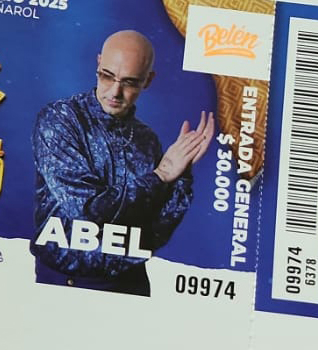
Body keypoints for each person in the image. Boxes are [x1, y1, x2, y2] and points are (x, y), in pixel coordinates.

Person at [31, 29, 214, 296]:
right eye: (107, 76)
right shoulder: (61, 119)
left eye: (129, 83)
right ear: (98, 64)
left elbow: (155, 233)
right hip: (66, 281)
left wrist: (181, 174)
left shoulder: (147, 140)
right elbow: (86, 210)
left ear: (147, 81)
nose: (115, 92)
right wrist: (162, 175)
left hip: (131, 284)